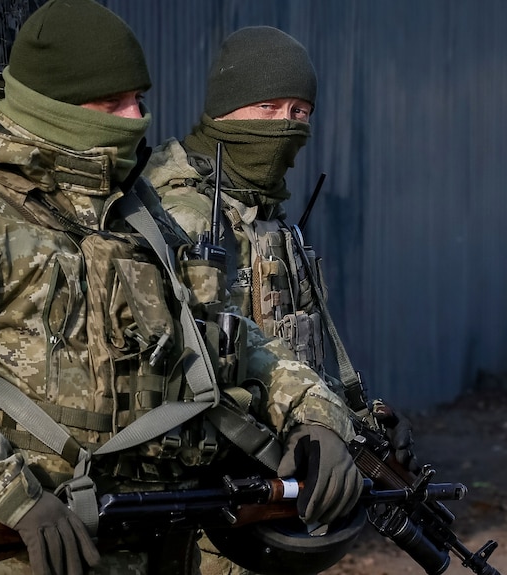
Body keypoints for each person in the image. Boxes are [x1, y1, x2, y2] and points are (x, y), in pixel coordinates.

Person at [0, 5, 364, 575]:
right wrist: (8, 494)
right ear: (53, 107)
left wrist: (313, 415)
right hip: (39, 551)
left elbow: (228, 335)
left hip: (167, 545)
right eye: (112, 106)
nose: (136, 119)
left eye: (137, 99)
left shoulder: (138, 212)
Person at [144, 25, 417, 574]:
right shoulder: (175, 216)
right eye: (267, 106)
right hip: (210, 506)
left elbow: (308, 338)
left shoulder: (265, 216)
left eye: (299, 112)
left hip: (281, 491)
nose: (285, 127)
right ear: (225, 110)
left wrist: (359, 415)